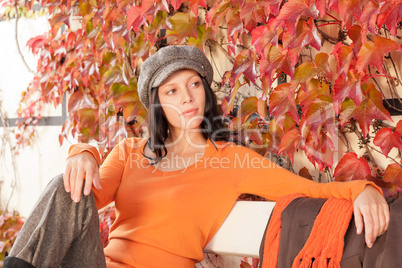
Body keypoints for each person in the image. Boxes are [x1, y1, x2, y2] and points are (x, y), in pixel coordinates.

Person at [4, 46, 389, 268]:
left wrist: (363, 189)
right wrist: (83, 152)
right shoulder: (129, 152)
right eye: (171, 91)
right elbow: (79, 198)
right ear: (156, 103)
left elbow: (307, 189)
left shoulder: (232, 161)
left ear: (206, 92)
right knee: (64, 184)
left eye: (193, 85)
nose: (187, 97)